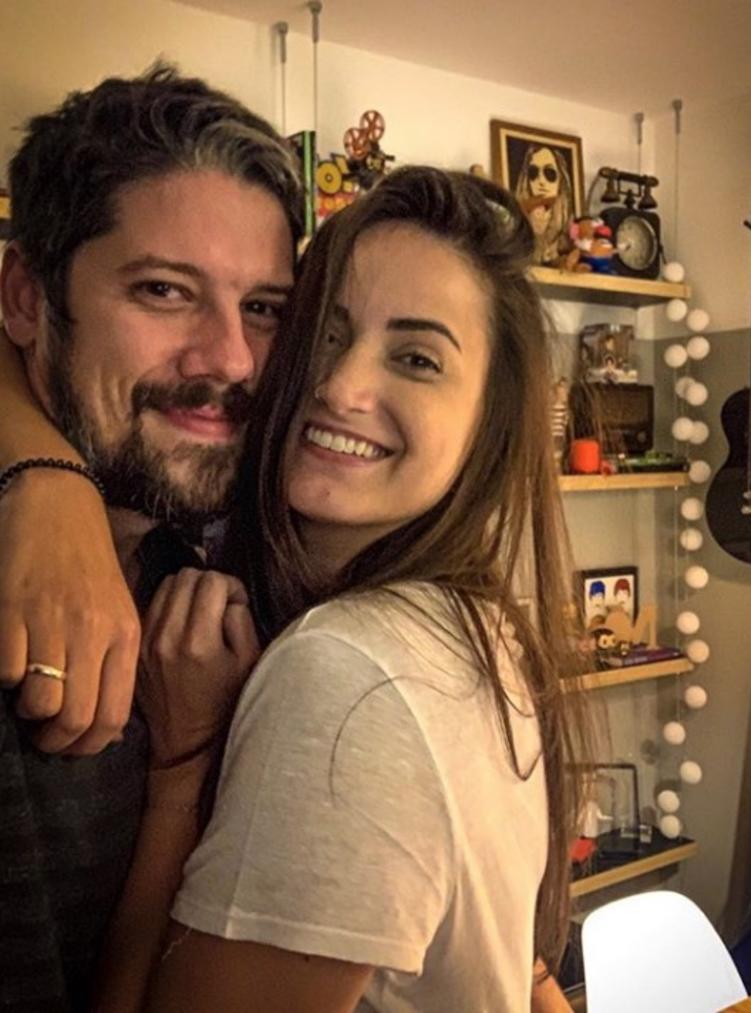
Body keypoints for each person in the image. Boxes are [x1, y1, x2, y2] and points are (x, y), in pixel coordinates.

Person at [92, 166, 589, 1012]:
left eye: (417, 359)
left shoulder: (346, 671)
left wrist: (183, 767)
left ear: (489, 426)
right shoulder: (475, 621)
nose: (340, 386)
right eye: (324, 333)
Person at [0, 64, 301, 1010]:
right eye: (165, 290)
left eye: (264, 307)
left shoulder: (216, 547)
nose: (232, 359)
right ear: (25, 297)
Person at [514, 144, 574, 267]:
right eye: (533, 173)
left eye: (549, 173)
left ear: (561, 179)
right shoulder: (517, 220)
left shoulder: (569, 224)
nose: (541, 181)